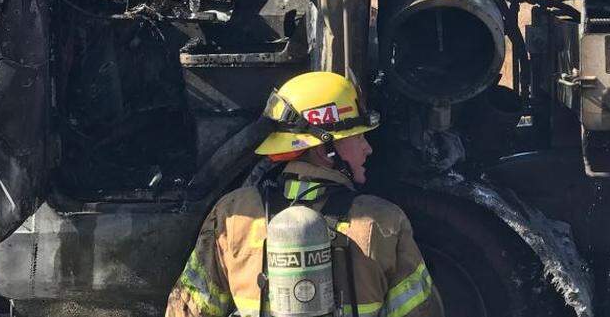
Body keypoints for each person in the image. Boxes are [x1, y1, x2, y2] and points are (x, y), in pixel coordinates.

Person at [166, 71, 444, 317]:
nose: (367, 148)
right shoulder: (383, 222)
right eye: (358, 137)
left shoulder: (232, 214)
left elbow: (187, 309)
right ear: (326, 151)